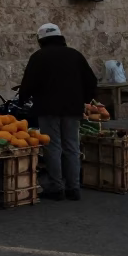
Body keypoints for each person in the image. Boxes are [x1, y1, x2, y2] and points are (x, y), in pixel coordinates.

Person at [19, 23, 98, 202]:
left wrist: (23, 99)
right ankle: (74, 188)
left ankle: (56, 188)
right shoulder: (75, 55)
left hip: (47, 109)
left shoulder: (38, 57)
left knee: (52, 146)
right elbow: (91, 81)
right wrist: (85, 100)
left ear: (41, 40)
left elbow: (28, 83)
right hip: (72, 108)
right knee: (71, 146)